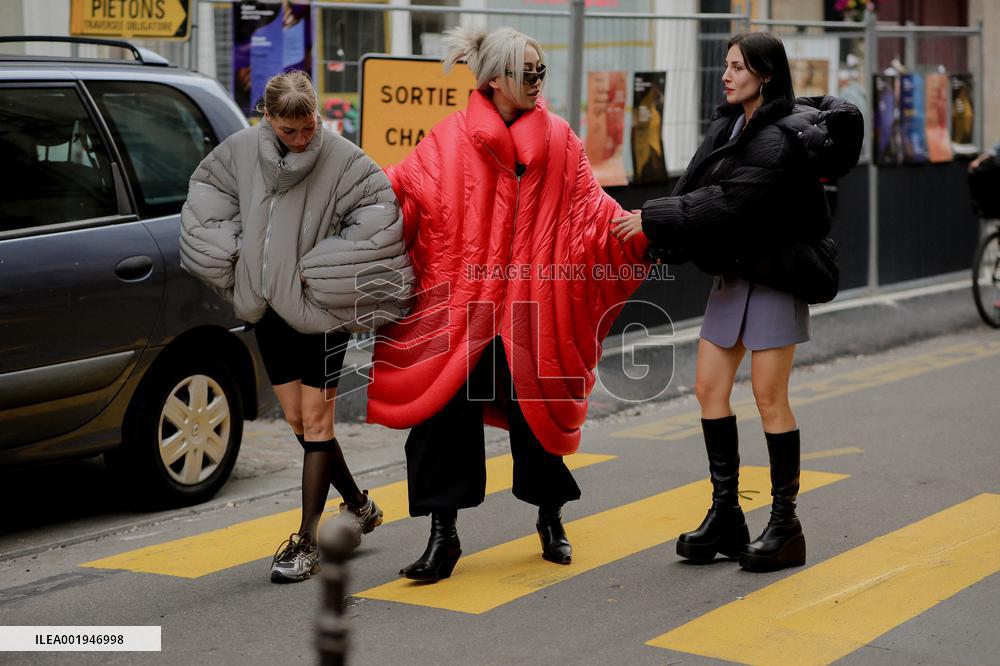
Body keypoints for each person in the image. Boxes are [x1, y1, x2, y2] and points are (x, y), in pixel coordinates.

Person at [366, 27, 649, 582]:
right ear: (494, 79)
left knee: (537, 416)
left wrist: (643, 230)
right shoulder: (447, 140)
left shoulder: (562, 141)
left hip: (535, 310)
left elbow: (593, 214)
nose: (537, 80)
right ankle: (442, 535)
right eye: (527, 72)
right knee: (442, 420)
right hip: (459, 308)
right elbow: (399, 194)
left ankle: (550, 516)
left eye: (541, 70)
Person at [612, 32, 862, 572]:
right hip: (735, 272)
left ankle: (785, 525)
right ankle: (726, 513)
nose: (726, 76)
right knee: (709, 389)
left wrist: (652, 217)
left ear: (766, 74)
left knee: (769, 398)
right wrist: (659, 231)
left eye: (738, 67)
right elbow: (693, 186)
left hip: (774, 275)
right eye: (725, 65)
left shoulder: (778, 138)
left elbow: (730, 200)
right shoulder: (728, 125)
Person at [180, 71, 413, 583]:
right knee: (299, 423)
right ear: (268, 118)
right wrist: (235, 254)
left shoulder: (344, 159)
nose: (303, 138)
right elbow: (207, 195)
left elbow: (379, 214)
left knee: (317, 422)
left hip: (322, 310)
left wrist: (324, 269)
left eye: (309, 127)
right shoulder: (240, 152)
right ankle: (359, 505)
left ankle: (306, 541)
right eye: (290, 131)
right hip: (268, 309)